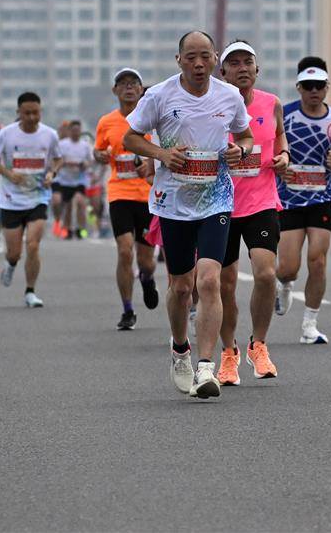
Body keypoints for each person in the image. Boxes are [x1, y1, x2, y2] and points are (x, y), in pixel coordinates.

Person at [124, 30, 254, 400]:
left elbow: (245, 136)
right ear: (178, 59)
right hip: (173, 203)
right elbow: (130, 138)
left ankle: (206, 366)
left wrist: (241, 150)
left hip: (216, 199)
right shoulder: (159, 95)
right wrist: (162, 155)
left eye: (205, 56)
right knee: (181, 287)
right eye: (191, 57)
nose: (198, 64)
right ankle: (181, 349)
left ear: (215, 59)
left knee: (209, 280)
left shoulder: (229, 96)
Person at [215, 41, 290, 384]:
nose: (242, 68)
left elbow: (280, 137)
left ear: (257, 69)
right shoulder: (212, 105)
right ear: (222, 72)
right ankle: (228, 352)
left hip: (261, 201)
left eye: (248, 62)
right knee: (224, 283)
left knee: (265, 274)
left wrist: (284, 156)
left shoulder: (272, 103)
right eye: (234, 63)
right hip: (221, 203)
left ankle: (258, 345)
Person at [275, 57, 331, 344]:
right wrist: (280, 166)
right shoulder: (284, 115)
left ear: (327, 87)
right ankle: (284, 284)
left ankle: (310, 324)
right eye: (308, 85)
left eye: (318, 85)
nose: (313, 91)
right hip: (289, 199)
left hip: (322, 198)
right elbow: (270, 151)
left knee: (318, 261)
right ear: (298, 87)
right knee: (288, 268)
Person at [95, 68, 160, 330]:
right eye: (123, 84)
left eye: (134, 83)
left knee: (146, 261)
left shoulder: (151, 121)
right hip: (119, 194)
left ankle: (146, 278)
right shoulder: (106, 122)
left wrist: (149, 165)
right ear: (115, 90)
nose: (129, 88)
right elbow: (99, 150)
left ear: (141, 90)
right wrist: (99, 155)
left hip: (147, 196)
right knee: (124, 251)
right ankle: (127, 309)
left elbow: (162, 151)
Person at [0, 92, 64, 308]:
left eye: (35, 113)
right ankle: (10, 265)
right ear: (18, 112)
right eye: (27, 113)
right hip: (11, 199)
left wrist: (52, 173)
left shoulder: (49, 134)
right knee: (15, 253)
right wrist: (8, 174)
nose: (31, 117)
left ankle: (30, 291)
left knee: (33, 245)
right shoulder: (6, 134)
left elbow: (58, 159)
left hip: (38, 197)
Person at [54, 120, 93, 240]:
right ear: (69, 131)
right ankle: (67, 228)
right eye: (74, 130)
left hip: (79, 180)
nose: (76, 133)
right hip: (64, 180)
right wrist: (65, 163)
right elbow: (56, 160)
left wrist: (84, 164)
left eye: (78, 130)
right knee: (66, 205)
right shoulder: (62, 144)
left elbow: (90, 161)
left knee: (80, 202)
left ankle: (81, 229)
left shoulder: (85, 145)